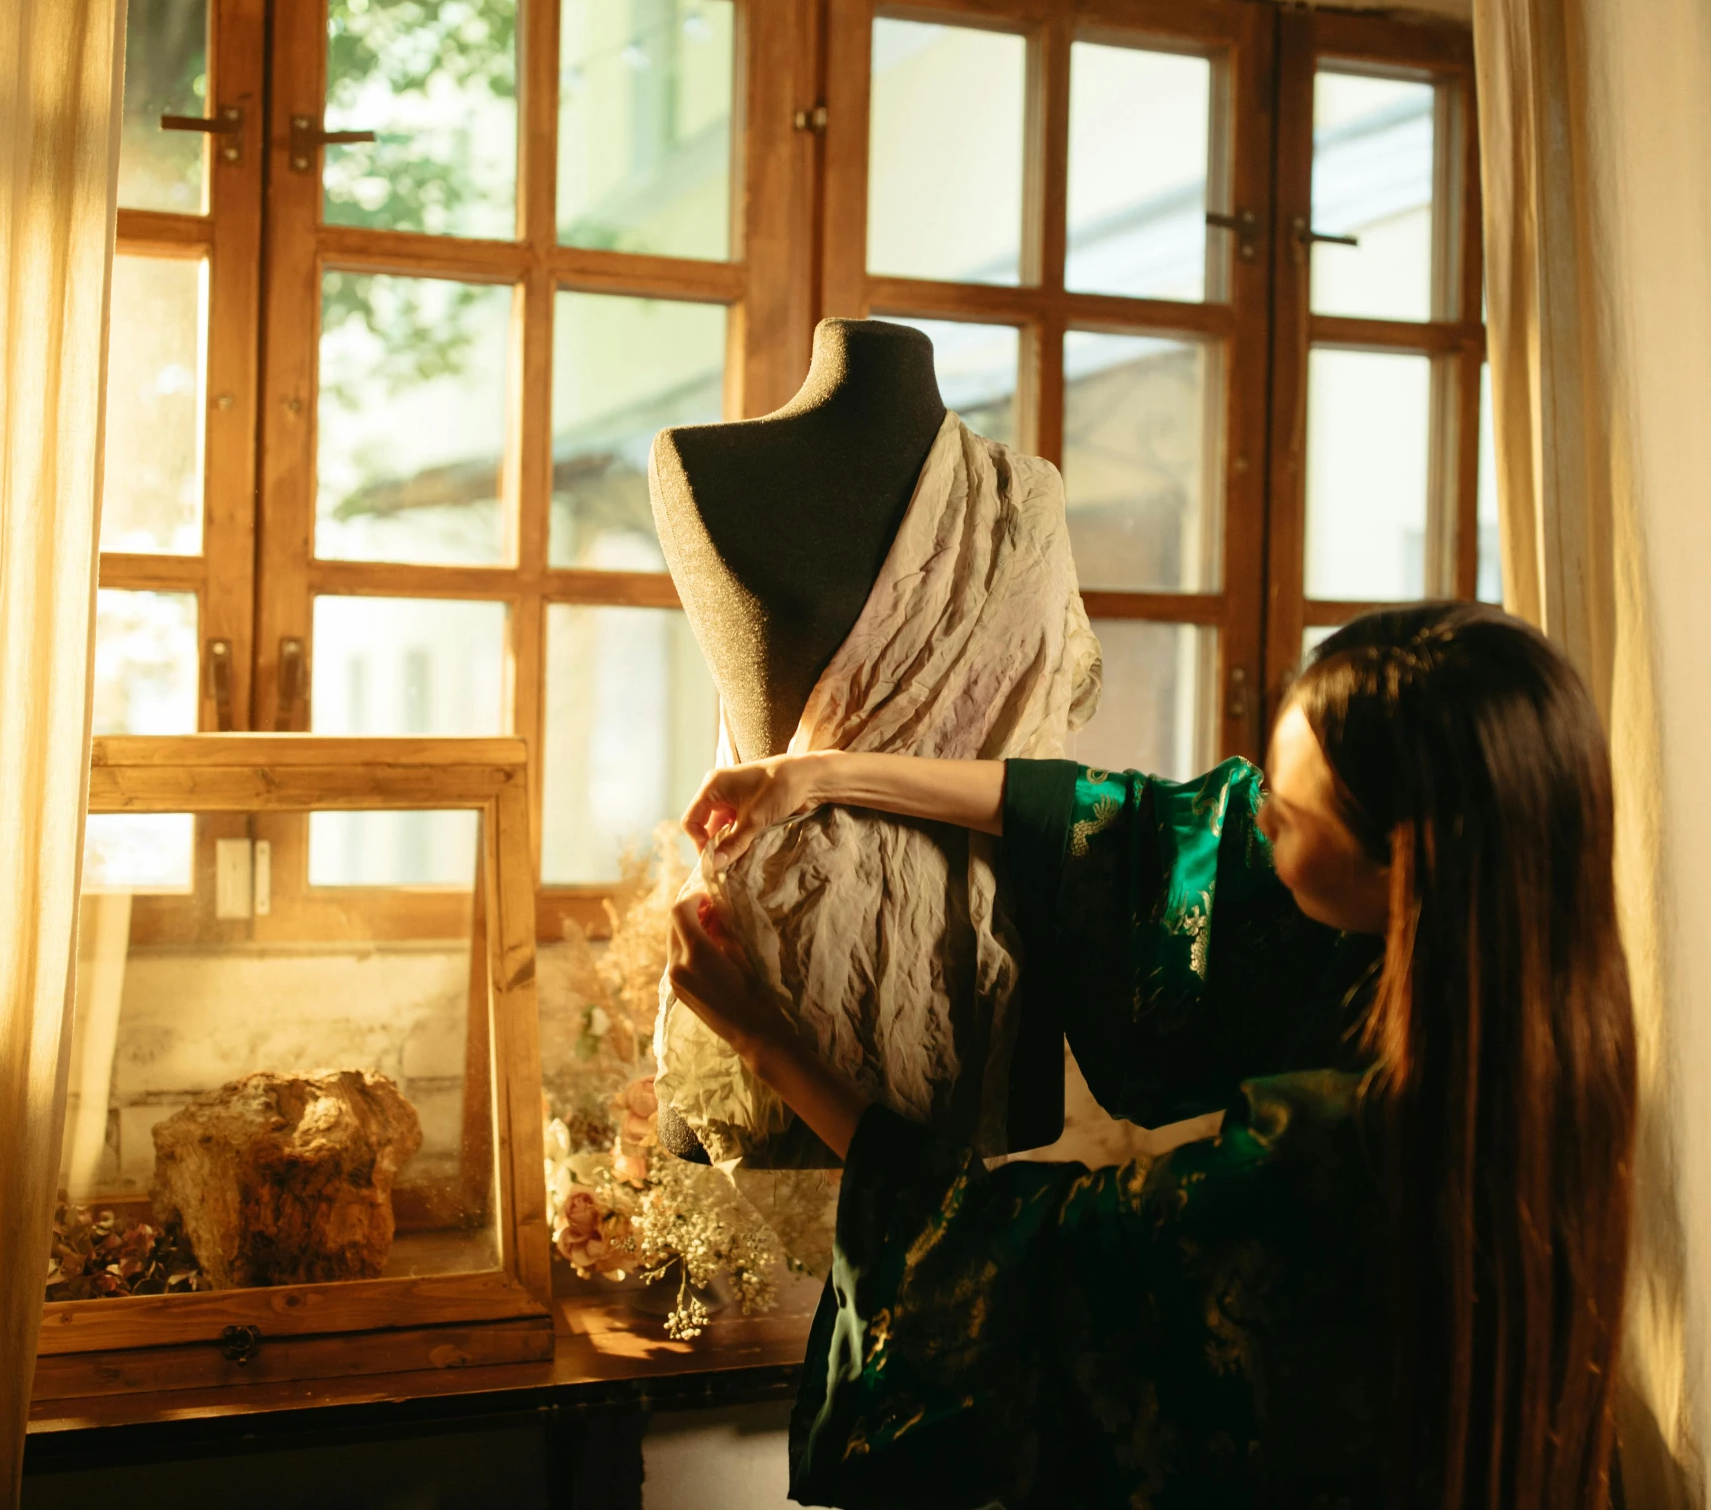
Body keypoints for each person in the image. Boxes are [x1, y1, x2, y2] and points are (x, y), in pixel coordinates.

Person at [667, 602, 1639, 1510]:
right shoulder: (1544, 1010)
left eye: (1289, 817)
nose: (1252, 814)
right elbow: (1136, 824)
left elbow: (1012, 1257)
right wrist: (823, 774)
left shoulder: (1347, 1153)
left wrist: (763, 1037)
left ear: (1406, 862)